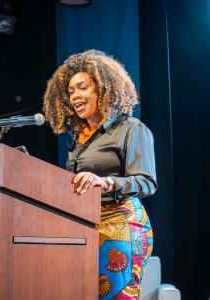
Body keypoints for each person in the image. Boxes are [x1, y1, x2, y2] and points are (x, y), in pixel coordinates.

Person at [43, 49, 157, 299]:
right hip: (85, 226)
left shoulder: (130, 128)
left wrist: (105, 181)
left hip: (121, 225)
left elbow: (147, 182)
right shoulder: (78, 141)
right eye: (71, 92)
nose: (75, 97)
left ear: (102, 89)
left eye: (82, 88)